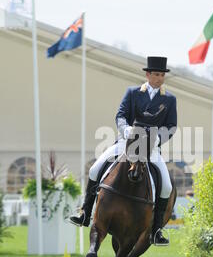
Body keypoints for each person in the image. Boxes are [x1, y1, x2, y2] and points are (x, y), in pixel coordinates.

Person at [70, 56, 177, 246]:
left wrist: (158, 138)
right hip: (127, 142)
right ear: (148, 74)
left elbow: (171, 125)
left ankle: (157, 230)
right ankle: (85, 213)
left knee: (167, 186)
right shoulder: (133, 92)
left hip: (151, 146)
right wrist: (126, 129)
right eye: (156, 74)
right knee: (95, 168)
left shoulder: (169, 99)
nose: (160, 78)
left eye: (162, 75)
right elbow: (120, 114)